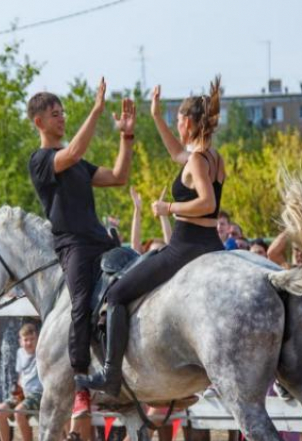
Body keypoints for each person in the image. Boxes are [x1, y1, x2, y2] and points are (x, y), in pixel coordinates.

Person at [79, 77, 225, 399]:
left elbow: (208, 203)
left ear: (188, 122)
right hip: (210, 244)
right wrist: (156, 116)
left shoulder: (198, 161)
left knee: (117, 294)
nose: (177, 125)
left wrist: (166, 207)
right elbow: (176, 153)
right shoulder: (212, 157)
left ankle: (111, 375)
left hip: (186, 248)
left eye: (177, 120)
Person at [27, 79, 135, 422]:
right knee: (80, 305)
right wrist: (97, 110)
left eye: (62, 113)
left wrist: (126, 137)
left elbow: (119, 176)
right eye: (55, 114)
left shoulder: (78, 164)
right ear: (38, 121)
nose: (61, 118)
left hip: (102, 242)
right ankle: (81, 388)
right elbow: (71, 152)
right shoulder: (41, 160)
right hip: (73, 246)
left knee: (133, 288)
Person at [2, 323, 43, 441]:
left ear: (37, 339)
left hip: (38, 393)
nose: (29, 343)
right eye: (25, 340)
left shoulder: (41, 352)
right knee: (2, 410)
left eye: (32, 339)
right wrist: (17, 393)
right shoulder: (20, 352)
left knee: (19, 412)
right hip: (23, 392)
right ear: (20, 341)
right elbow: (21, 376)